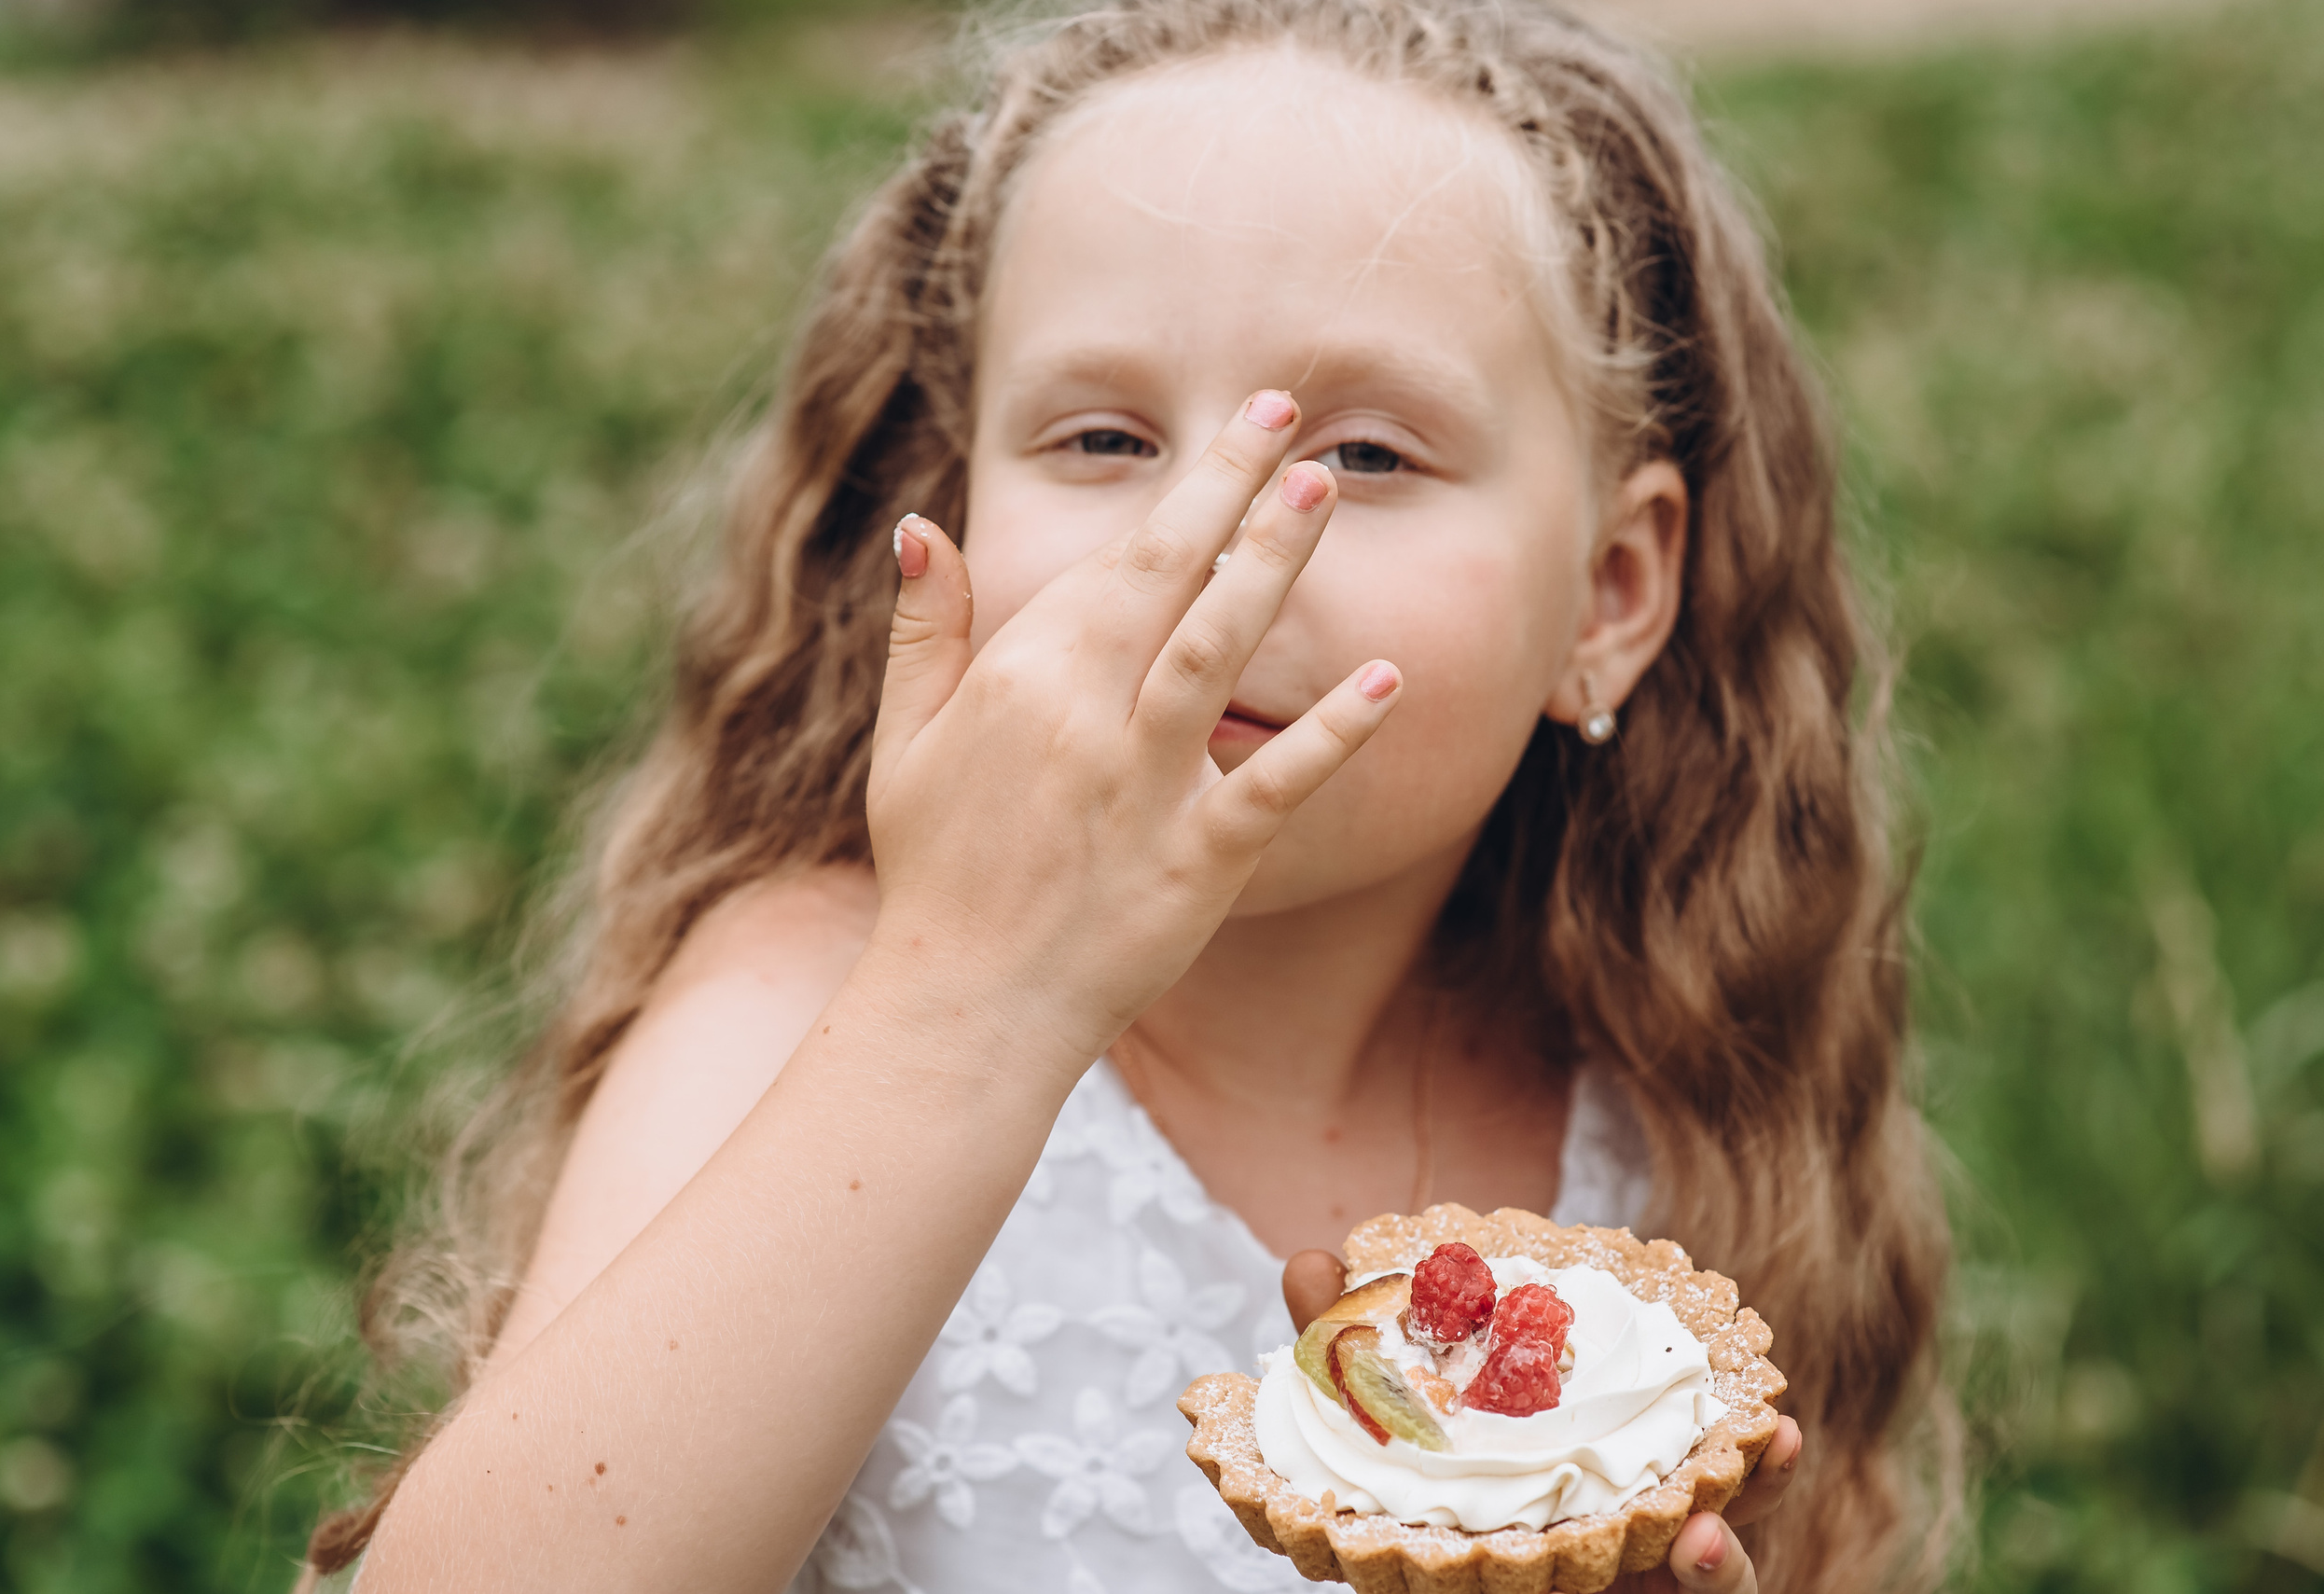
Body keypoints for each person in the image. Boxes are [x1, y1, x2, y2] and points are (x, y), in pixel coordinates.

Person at [305, 2, 1952, 1590]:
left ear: (1607, 595)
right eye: (1100, 440)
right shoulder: (803, 1010)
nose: (1214, 546)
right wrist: (973, 998)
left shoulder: (1667, 1109)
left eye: (1364, 459)